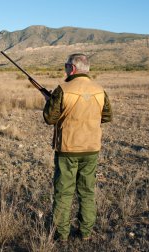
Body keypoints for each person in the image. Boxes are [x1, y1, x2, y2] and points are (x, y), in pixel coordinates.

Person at [43, 53, 112, 242]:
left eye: (66, 66)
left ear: (72, 69)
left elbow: (50, 118)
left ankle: (62, 234)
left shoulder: (62, 89)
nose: (65, 69)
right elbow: (106, 116)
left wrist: (49, 101)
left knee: (63, 193)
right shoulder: (100, 90)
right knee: (87, 192)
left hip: (67, 149)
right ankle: (86, 233)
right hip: (91, 149)